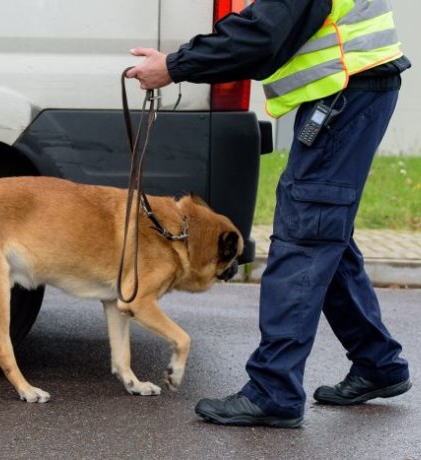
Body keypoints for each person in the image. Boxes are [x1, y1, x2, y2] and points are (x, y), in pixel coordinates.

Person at [127, 0, 411, 428]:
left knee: (305, 236)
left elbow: (260, 32)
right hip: (353, 89)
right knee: (324, 233)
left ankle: (273, 391)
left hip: (349, 90)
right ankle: (378, 362)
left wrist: (174, 65)